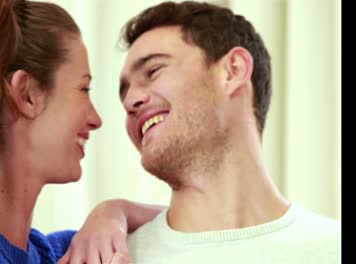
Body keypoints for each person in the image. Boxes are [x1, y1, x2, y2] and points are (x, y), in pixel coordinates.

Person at [0, 0, 163, 263]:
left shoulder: (48, 252)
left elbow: (192, 221)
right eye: (83, 89)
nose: (96, 119)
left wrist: (113, 212)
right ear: (27, 95)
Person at [118, 1, 341, 263]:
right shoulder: (107, 255)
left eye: (153, 71)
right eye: (124, 91)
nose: (130, 100)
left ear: (233, 71)